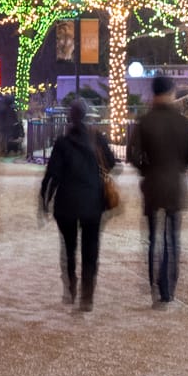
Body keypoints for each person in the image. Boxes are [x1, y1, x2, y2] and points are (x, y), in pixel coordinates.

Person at [39, 97, 117, 310]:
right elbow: (111, 162)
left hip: (66, 204)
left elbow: (52, 175)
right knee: (90, 249)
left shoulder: (62, 143)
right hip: (92, 201)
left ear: (69, 117)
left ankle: (71, 284)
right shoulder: (96, 139)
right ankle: (87, 295)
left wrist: (45, 199)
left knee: (69, 247)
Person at [128, 73, 188, 306]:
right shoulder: (181, 121)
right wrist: (178, 168)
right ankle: (168, 286)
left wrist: (145, 169)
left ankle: (154, 284)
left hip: (152, 184)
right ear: (170, 93)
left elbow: (132, 154)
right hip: (174, 185)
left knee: (152, 237)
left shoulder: (145, 121)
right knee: (172, 238)